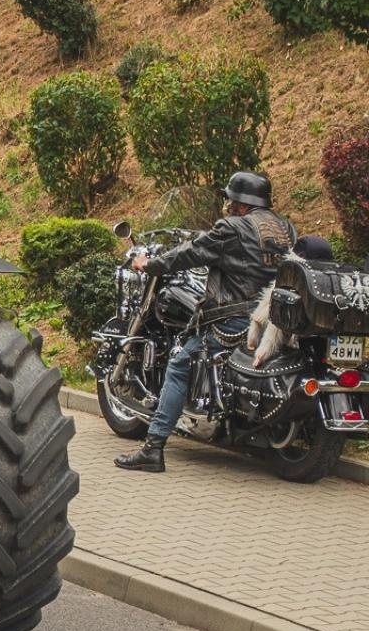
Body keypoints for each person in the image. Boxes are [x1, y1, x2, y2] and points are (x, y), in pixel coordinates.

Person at [115, 171, 296, 473]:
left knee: (179, 364)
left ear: (238, 203)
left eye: (230, 201)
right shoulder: (285, 228)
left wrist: (151, 264)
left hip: (235, 320)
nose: (228, 206)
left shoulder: (233, 228)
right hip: (274, 321)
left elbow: (192, 252)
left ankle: (153, 448)